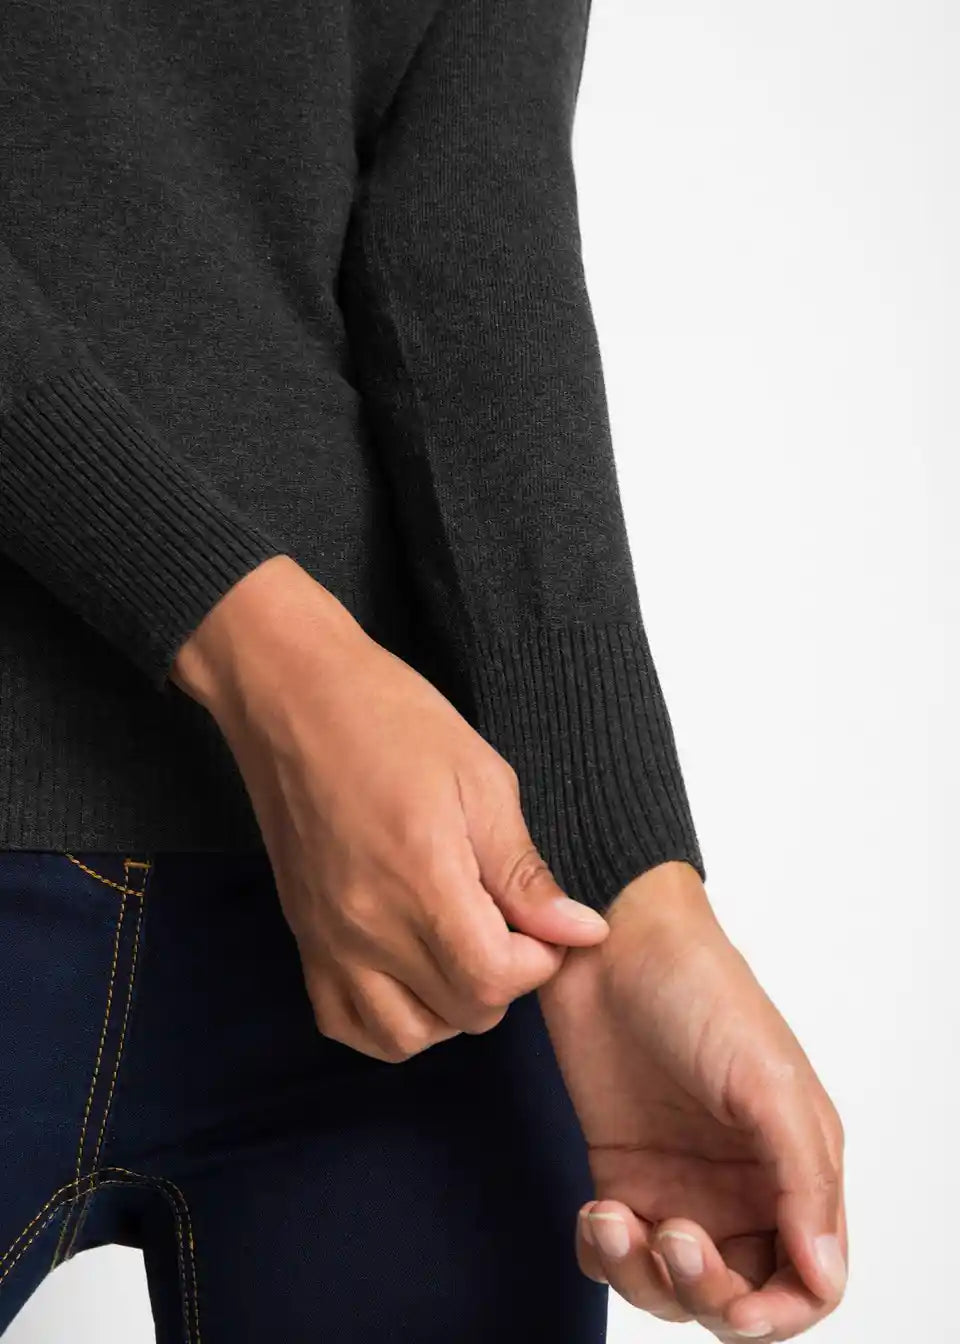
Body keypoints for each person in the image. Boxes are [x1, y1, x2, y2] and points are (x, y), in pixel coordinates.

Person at [0, 0, 846, 1340]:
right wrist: (273, 656)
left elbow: (474, 247)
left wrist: (629, 896)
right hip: (348, 807)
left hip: (398, 924)